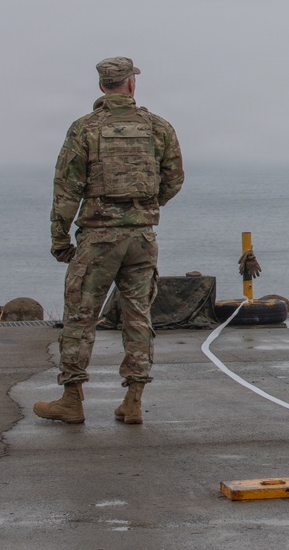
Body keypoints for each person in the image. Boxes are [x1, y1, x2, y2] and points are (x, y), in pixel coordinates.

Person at [34, 57, 184, 425]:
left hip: (99, 238)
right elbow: (175, 178)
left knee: (81, 317)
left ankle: (71, 399)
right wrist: (145, 207)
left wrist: (60, 240)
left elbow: (66, 189)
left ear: (102, 86)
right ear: (131, 84)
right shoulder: (157, 127)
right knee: (138, 316)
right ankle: (133, 400)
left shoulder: (85, 129)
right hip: (141, 238)